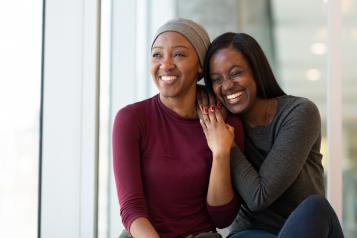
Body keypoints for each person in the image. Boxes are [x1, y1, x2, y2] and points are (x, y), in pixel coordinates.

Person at [198, 32, 344, 238]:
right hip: (251, 233)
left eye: (236, 73)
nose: (227, 85)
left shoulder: (299, 112)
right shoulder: (222, 123)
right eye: (216, 79)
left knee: (316, 207)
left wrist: (227, 145)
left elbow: (259, 196)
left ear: (257, 71)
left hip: (306, 231)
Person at [112, 19, 244, 238]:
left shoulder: (226, 124)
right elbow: (131, 209)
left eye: (179, 54)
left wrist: (220, 153)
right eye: (157, 55)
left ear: (200, 65)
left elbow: (222, 218)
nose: (166, 65)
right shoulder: (131, 119)